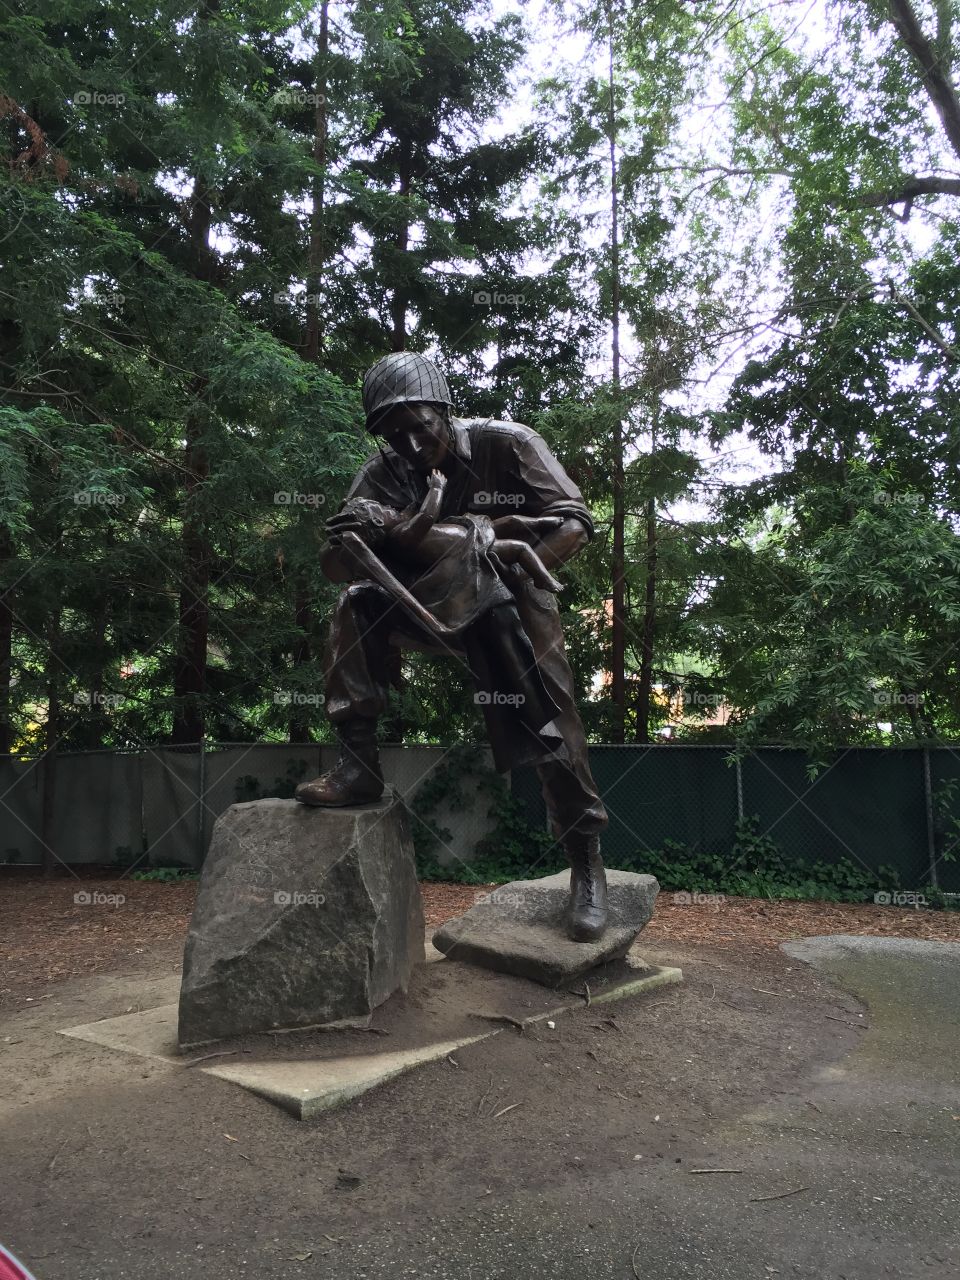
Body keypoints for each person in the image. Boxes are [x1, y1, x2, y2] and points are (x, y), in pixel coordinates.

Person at [295, 352, 609, 942]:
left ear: (445, 409)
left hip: (515, 592)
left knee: (551, 714)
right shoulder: (382, 469)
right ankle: (358, 765)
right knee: (354, 606)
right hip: (426, 600)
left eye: (421, 427)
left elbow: (574, 522)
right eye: (395, 435)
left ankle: (585, 861)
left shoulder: (509, 443)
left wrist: (510, 568)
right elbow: (338, 562)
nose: (411, 445)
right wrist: (358, 536)